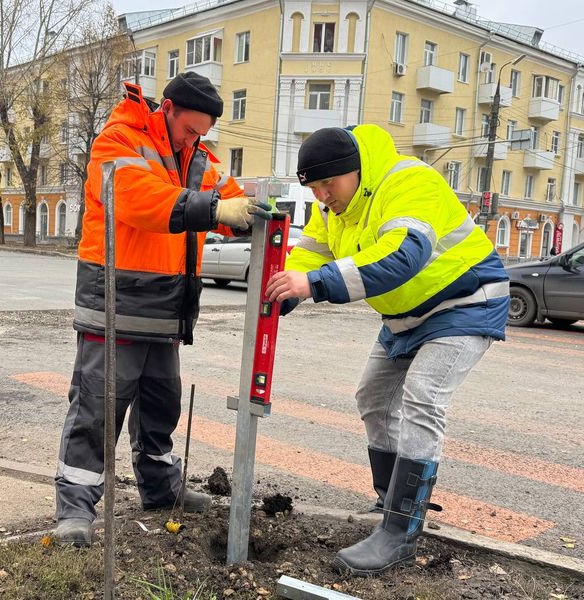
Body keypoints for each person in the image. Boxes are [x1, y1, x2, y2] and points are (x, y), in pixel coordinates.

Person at [266, 124, 508, 576]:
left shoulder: (409, 181)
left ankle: (401, 533)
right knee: (372, 397)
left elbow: (403, 257)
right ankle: (389, 501)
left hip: (465, 303)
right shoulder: (337, 207)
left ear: (354, 171)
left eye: (328, 185)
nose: (322, 197)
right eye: (314, 188)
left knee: (422, 396)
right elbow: (310, 254)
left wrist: (315, 286)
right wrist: (289, 288)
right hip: (406, 316)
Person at [54, 72, 271, 546]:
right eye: (190, 129)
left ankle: (160, 490)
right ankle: (74, 510)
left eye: (203, 133)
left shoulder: (197, 159)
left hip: (165, 310)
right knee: (97, 410)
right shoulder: (118, 141)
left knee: (161, 408)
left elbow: (229, 198)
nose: (195, 139)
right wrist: (214, 210)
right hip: (115, 304)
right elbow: (138, 201)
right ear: (167, 108)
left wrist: (254, 211)